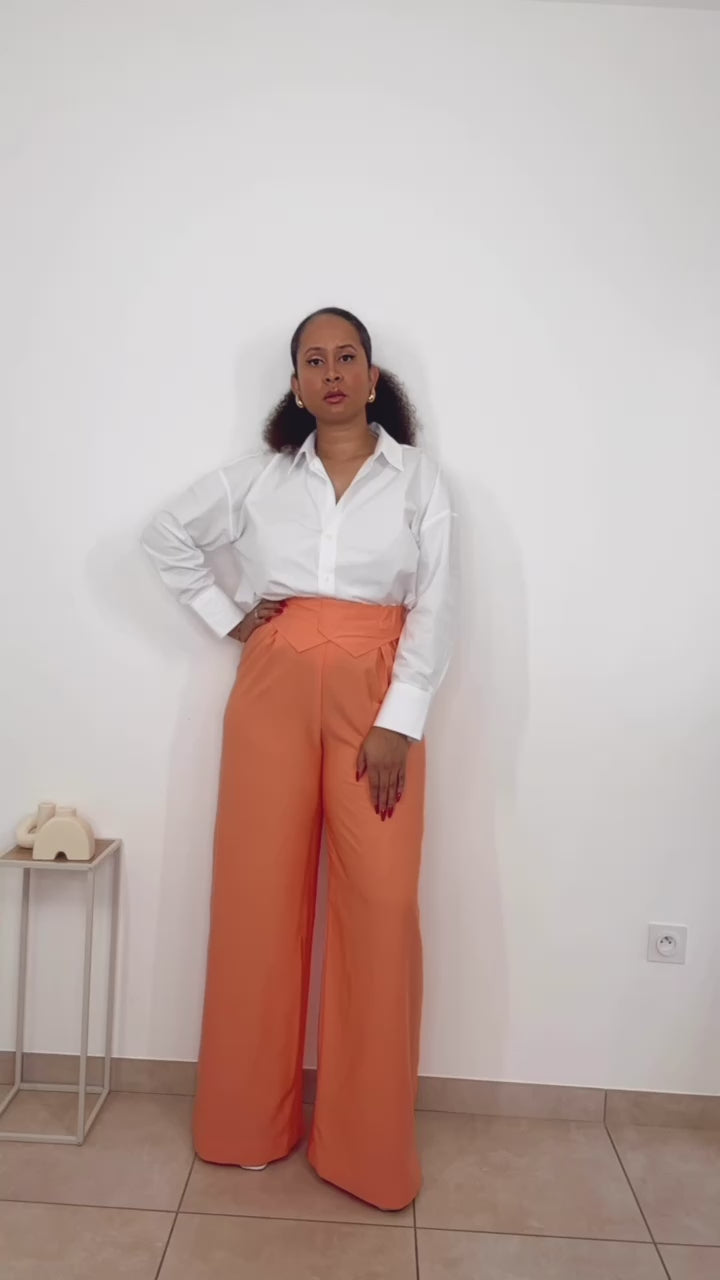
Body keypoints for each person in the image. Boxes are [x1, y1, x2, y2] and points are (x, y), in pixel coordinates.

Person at [142, 307, 454, 1210]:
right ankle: (246, 1125)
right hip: (274, 689)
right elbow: (165, 535)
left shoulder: (419, 479)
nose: (332, 372)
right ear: (295, 384)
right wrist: (229, 619)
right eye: (313, 360)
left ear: (372, 375)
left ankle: (366, 1150)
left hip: (377, 698)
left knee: (381, 906)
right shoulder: (261, 476)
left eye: (346, 356)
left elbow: (438, 603)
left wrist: (401, 719)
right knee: (257, 899)